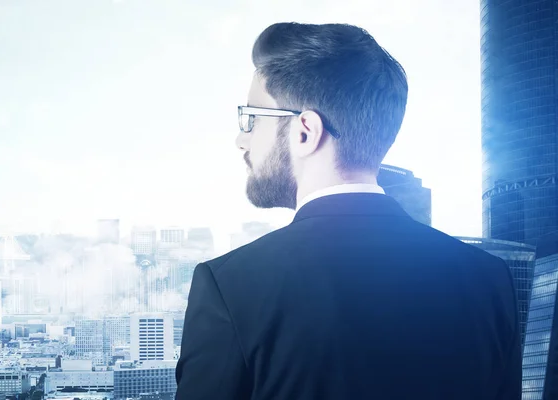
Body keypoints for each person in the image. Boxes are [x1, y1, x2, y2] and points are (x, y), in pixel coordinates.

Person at [175, 22, 521, 400]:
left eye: (252, 117)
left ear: (305, 131)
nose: (241, 138)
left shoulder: (229, 287)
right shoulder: (489, 280)